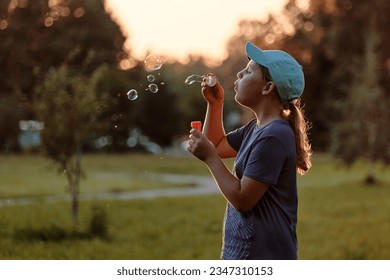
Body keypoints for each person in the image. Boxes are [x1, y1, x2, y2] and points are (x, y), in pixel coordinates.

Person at [187, 41, 312, 260]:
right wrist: (215, 104)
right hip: (243, 253)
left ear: (267, 87)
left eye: (248, 71)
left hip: (263, 257)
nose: (239, 73)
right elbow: (217, 144)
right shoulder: (256, 129)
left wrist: (210, 158)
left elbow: (243, 200)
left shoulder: (274, 135)